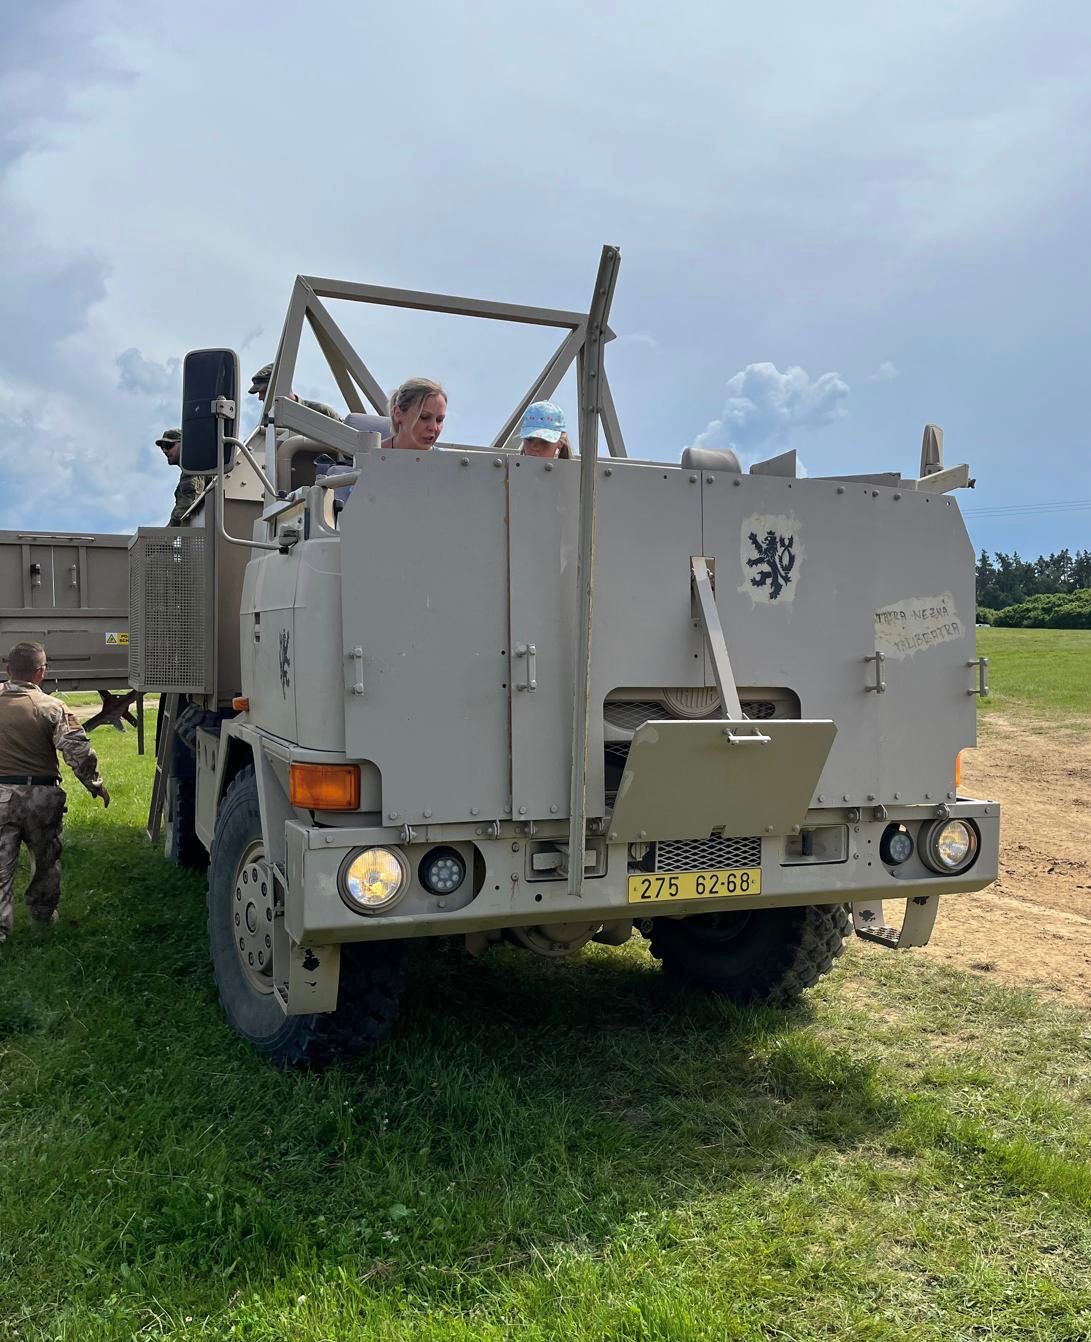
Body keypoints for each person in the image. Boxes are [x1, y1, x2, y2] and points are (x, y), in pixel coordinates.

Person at [0, 643, 110, 943]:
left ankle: (1, 930)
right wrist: (95, 784)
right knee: (45, 862)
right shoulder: (51, 707)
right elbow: (78, 751)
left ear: (8, 669)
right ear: (41, 672)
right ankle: (43, 918)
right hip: (41, 797)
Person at [248, 363, 343, 421]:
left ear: (281, 387)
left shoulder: (321, 412)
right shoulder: (268, 424)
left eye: (264, 391)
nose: (260, 397)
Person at [157, 428, 212, 526]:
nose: (165, 450)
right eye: (162, 447)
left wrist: (164, 538)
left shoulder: (193, 466)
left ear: (185, 444)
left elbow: (186, 505)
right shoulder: (191, 467)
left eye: (169, 445)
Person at [380, 378, 447, 451]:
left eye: (439, 420)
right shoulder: (369, 456)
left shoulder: (447, 461)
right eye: (424, 417)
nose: (434, 427)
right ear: (398, 414)